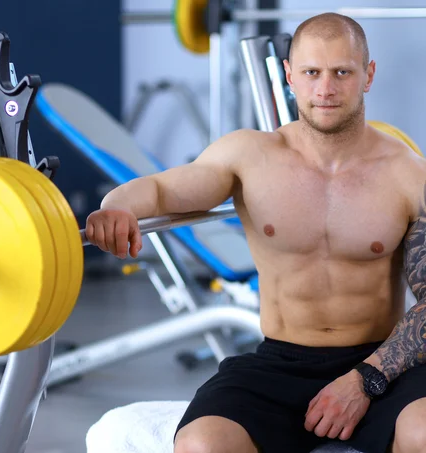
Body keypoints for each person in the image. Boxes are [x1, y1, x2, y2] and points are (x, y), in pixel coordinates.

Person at [84, 12, 426, 453]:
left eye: (342, 72)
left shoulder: (408, 176)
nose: (325, 89)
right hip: (278, 363)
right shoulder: (250, 156)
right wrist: (116, 208)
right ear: (288, 75)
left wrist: (366, 381)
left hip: (379, 362)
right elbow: (162, 188)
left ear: (368, 75)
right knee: (203, 444)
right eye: (311, 73)